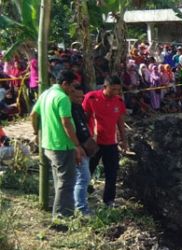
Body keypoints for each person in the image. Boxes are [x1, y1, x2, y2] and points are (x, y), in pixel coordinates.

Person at [30, 70, 85, 221]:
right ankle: (62, 216)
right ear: (64, 84)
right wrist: (77, 145)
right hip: (62, 145)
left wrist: (36, 132)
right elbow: (66, 123)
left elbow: (33, 115)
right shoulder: (62, 98)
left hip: (49, 144)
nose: (73, 90)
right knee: (67, 182)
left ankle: (60, 212)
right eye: (72, 86)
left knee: (59, 181)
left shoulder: (46, 94)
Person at [83, 75, 127, 208]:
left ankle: (109, 200)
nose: (116, 92)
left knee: (112, 172)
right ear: (105, 87)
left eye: (118, 90)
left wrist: (124, 140)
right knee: (88, 169)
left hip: (111, 143)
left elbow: (120, 122)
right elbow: (84, 119)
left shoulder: (118, 101)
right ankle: (82, 195)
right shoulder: (91, 98)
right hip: (95, 142)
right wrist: (84, 139)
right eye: (113, 89)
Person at [69, 85, 98, 216]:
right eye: (77, 96)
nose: (80, 99)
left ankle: (79, 205)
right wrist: (77, 147)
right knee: (83, 178)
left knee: (82, 178)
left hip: (86, 145)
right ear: (70, 94)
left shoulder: (79, 107)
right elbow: (69, 129)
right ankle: (81, 209)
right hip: (78, 147)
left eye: (82, 97)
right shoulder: (68, 108)